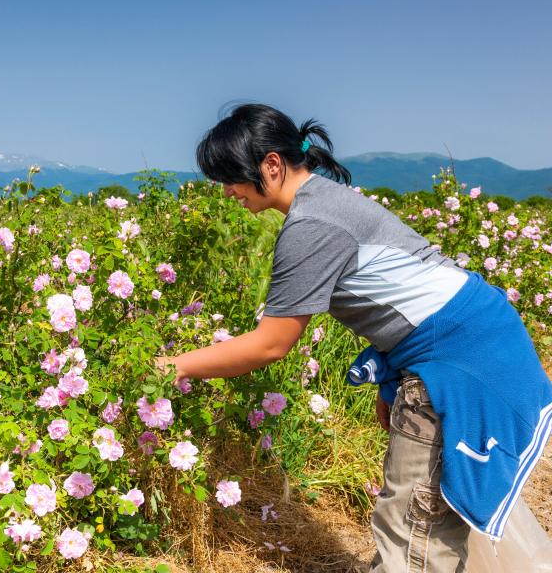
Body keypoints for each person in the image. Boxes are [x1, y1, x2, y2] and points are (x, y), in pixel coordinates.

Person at [157, 103, 552, 571]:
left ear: (271, 164)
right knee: (429, 508)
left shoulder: (312, 224)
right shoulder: (327, 201)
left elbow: (270, 344)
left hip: (459, 359)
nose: (227, 191)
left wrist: (172, 366)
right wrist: (402, 379)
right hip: (466, 342)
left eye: (231, 176)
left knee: (412, 524)